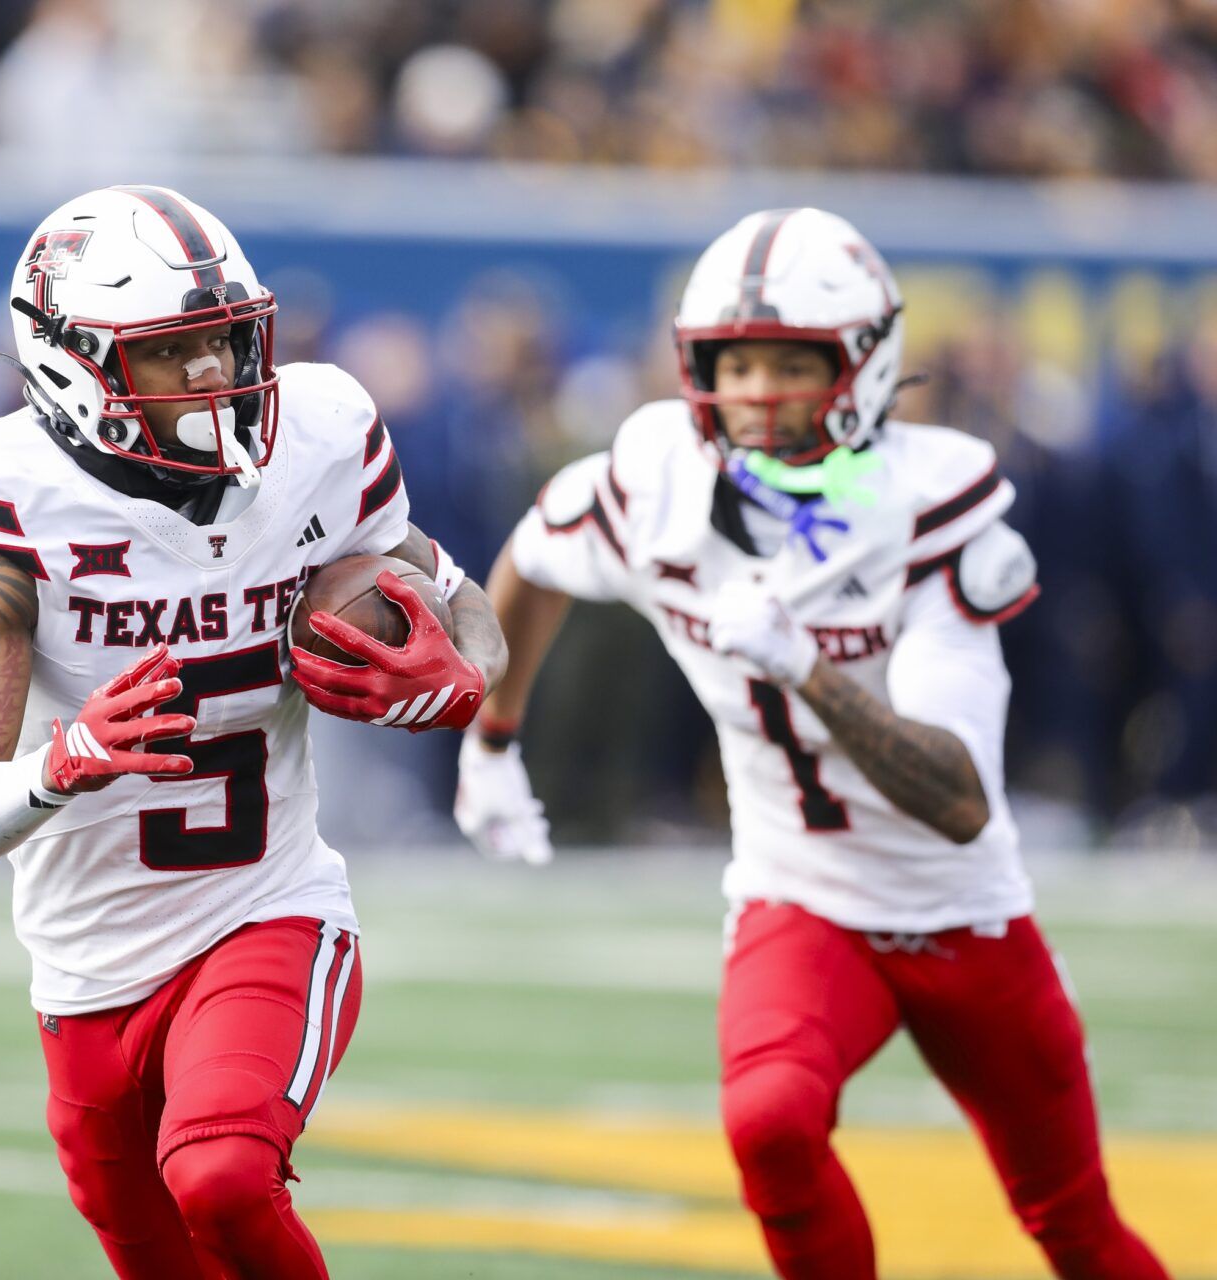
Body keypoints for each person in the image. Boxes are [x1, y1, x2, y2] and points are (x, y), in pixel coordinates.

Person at [454, 207, 1168, 1280]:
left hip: (960, 913)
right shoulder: (659, 480)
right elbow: (532, 554)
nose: (753, 392)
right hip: (803, 896)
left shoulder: (933, 511)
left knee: (1073, 1224)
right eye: (732, 363)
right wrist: (492, 738)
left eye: (791, 364)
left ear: (865, 367)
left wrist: (807, 666)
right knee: (769, 1119)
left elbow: (958, 795)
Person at [0, 184, 507, 1279]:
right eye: (178, 353)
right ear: (72, 364)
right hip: (85, 972)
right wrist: (62, 764)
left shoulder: (319, 435)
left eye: (229, 342)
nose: (220, 377)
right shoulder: (4, 496)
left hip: (264, 905)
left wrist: (467, 678)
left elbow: (458, 591)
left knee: (222, 1173)